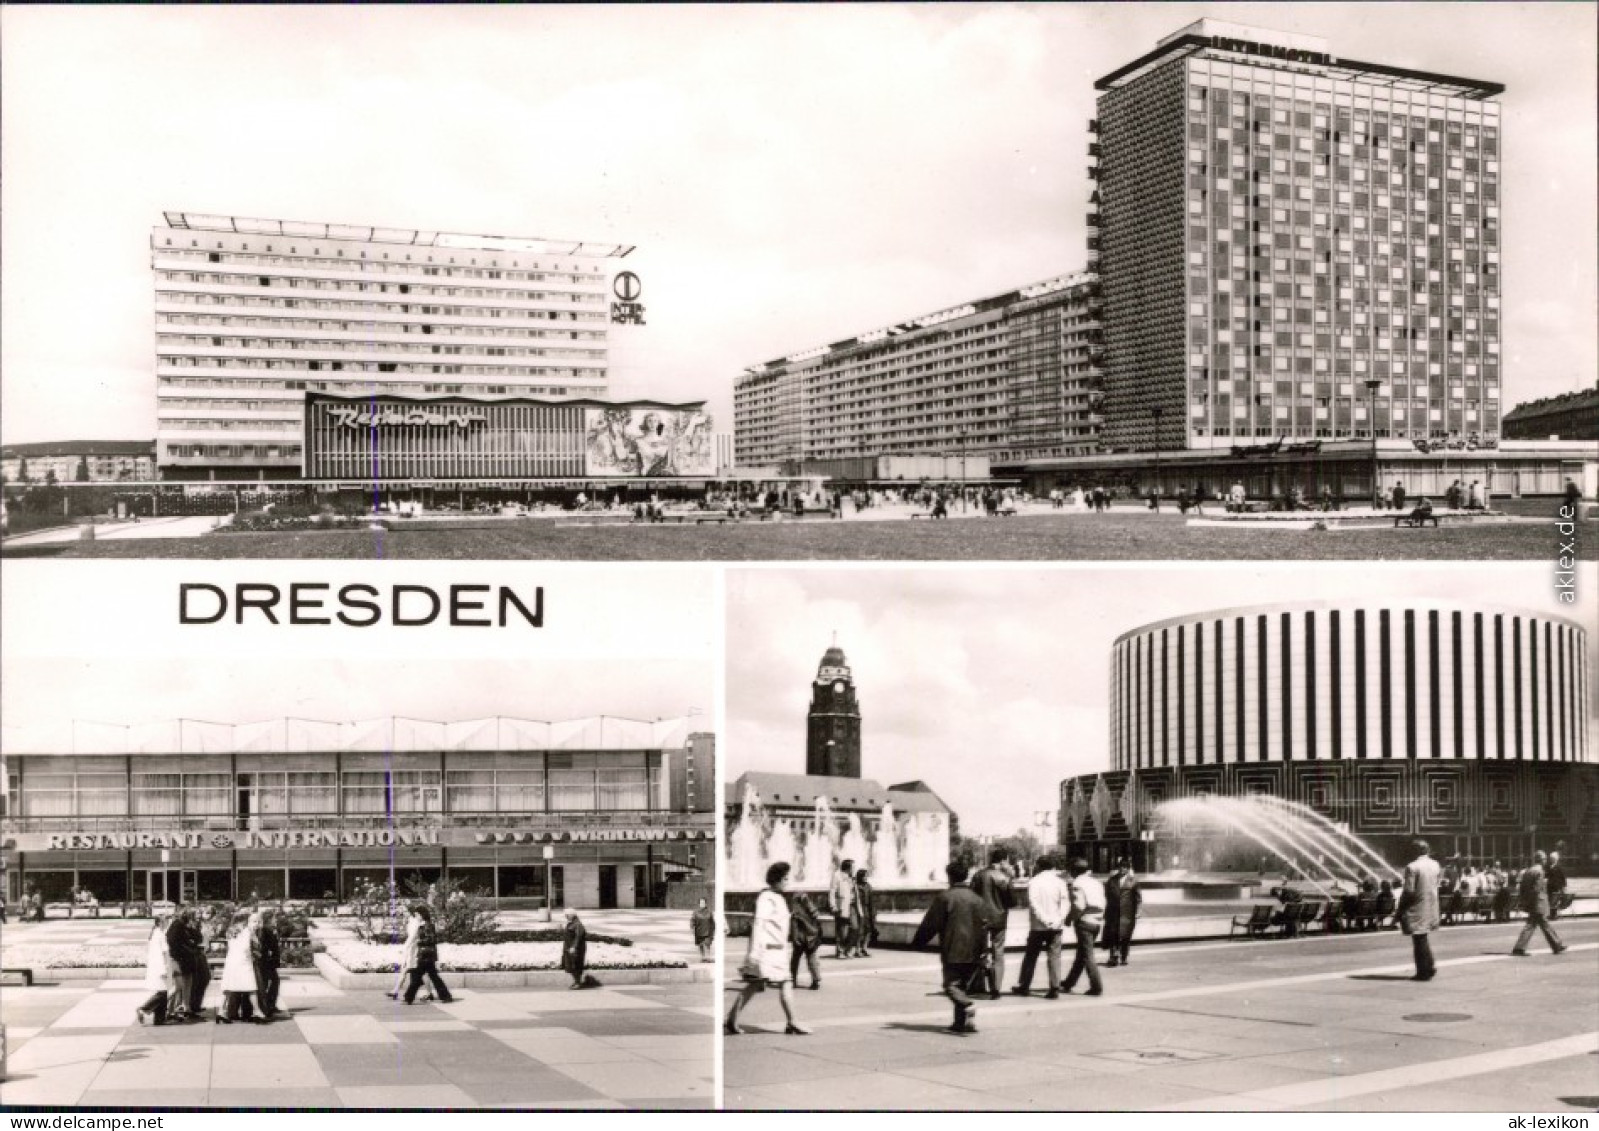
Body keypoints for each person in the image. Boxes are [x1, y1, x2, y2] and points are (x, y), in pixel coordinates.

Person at [912, 861, 997, 1034]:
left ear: (949, 876)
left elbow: (931, 924)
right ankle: (962, 1023)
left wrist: (918, 942)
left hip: (953, 948)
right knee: (962, 986)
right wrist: (985, 950)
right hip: (974, 950)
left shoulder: (945, 898)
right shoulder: (977, 899)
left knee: (950, 986)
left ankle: (967, 1005)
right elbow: (985, 926)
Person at [725, 862, 808, 1035]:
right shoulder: (766, 898)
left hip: (777, 950)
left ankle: (732, 1019)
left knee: (757, 985)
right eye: (785, 879)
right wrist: (754, 953)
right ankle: (792, 1022)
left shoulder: (778, 898)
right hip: (768, 951)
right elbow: (758, 924)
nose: (787, 882)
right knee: (778, 983)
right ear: (776, 880)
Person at [1012, 855, 1067, 999]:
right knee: (1054, 956)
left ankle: (1024, 985)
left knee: (1031, 956)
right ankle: (1054, 987)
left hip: (1038, 926)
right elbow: (1065, 903)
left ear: (1039, 866)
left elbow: (1033, 903)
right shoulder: (1060, 882)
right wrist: (1058, 919)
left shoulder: (1034, 882)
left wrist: (1045, 920)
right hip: (1056, 925)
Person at [969, 848, 1016, 1000]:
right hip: (999, 919)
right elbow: (1012, 901)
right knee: (998, 953)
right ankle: (996, 988)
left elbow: (971, 897)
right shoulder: (1004, 878)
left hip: (980, 919)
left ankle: (978, 984)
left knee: (978, 951)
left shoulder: (978, 875)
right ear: (1003, 861)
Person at [1397, 839, 1441, 981]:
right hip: (1431, 905)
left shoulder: (1412, 867)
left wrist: (1401, 908)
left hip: (1416, 906)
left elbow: (1409, 891)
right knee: (1423, 937)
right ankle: (1429, 966)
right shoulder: (1435, 865)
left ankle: (1423, 971)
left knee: (1418, 939)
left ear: (1415, 851)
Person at [1060, 859, 1105, 996]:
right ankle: (1069, 982)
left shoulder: (1077, 884)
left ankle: (1096, 986)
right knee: (1082, 954)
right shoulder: (1096, 882)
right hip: (1097, 921)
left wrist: (1069, 918)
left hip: (1084, 922)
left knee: (1087, 956)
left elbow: (1079, 906)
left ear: (1074, 871)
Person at [1512, 851, 1568, 956]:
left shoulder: (1528, 871)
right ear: (1541, 860)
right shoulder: (1540, 872)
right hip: (1538, 902)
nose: (1545, 861)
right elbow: (1537, 888)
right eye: (1544, 859)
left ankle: (1556, 945)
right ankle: (1519, 948)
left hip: (1532, 901)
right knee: (1536, 924)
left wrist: (1525, 900)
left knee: (1536, 924)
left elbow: (1523, 888)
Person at [402, 904, 455, 1004]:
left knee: (417, 975)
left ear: (421, 915)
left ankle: (408, 998)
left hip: (425, 955)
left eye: (417, 914)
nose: (416, 916)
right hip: (426, 955)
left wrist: (418, 942)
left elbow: (431, 939)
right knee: (433, 976)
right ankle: (446, 996)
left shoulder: (427, 925)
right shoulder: (424, 925)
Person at [217, 912, 263, 1024]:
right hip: (244, 962)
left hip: (231, 962)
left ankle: (221, 1011)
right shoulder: (248, 931)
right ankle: (257, 1011)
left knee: (228, 988)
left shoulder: (230, 931)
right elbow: (256, 944)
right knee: (251, 988)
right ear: (244, 921)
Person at [135, 913, 175, 1026]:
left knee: (163, 992)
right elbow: (162, 954)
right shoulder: (160, 935)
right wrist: (164, 969)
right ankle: (143, 1008)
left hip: (158, 967)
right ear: (159, 923)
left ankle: (159, 1019)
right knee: (162, 993)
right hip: (161, 967)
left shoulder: (156, 934)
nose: (167, 923)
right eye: (165, 921)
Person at [1103, 859, 1142, 967]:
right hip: (1113, 912)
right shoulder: (1112, 880)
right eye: (1120, 867)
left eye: (1124, 867)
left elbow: (1138, 898)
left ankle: (1124, 956)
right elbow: (1106, 894)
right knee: (1113, 934)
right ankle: (1113, 957)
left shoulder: (1133, 881)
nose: (1122, 869)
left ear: (1128, 869)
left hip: (1127, 913)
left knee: (1126, 936)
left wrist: (1138, 911)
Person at [788, 889, 824, 990]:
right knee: (812, 959)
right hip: (811, 938)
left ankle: (792, 980)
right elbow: (817, 920)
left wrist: (794, 939)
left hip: (800, 939)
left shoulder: (796, 911)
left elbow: (794, 926)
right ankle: (816, 979)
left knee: (795, 960)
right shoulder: (812, 909)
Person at [256, 909, 283, 1018]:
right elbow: (267, 946)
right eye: (273, 918)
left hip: (269, 961)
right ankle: (268, 1005)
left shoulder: (270, 930)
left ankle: (269, 1004)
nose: (275, 920)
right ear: (268, 920)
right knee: (270, 982)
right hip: (267, 962)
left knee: (273, 982)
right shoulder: (266, 931)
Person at [828, 859, 857, 960]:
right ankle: (841, 951)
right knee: (841, 930)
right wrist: (833, 906)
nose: (854, 869)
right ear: (848, 868)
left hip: (851, 905)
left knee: (855, 927)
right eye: (853, 867)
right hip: (841, 905)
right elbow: (832, 891)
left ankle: (847, 949)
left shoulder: (852, 878)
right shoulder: (837, 876)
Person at [561, 908, 589, 989]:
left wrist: (574, 947)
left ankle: (578, 982)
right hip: (569, 948)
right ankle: (576, 981)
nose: (566, 917)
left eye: (567, 915)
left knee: (576, 965)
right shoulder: (571, 923)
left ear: (572, 915)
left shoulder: (578, 924)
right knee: (569, 965)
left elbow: (578, 937)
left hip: (576, 949)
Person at [851, 869, 876, 958]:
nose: (866, 878)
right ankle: (857, 950)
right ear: (860, 876)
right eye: (864, 876)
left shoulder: (868, 886)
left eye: (866, 876)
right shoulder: (856, 886)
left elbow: (872, 900)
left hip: (868, 909)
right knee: (860, 931)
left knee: (868, 930)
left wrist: (873, 912)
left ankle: (864, 948)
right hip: (859, 909)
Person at [690, 898, 716, 963]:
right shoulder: (695, 912)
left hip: (708, 931)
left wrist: (712, 930)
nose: (702, 904)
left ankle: (708, 957)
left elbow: (712, 922)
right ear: (699, 904)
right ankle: (703, 957)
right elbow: (692, 920)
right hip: (699, 931)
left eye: (703, 903)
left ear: (705, 904)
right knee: (701, 945)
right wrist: (692, 927)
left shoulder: (709, 912)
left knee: (707, 944)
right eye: (701, 903)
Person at [1545, 851, 1569, 920]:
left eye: (1553, 858)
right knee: (1550, 900)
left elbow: (1563, 877)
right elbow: (1547, 876)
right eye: (1551, 858)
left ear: (1556, 859)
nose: (1551, 859)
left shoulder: (1559, 867)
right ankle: (1551, 914)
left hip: (1557, 886)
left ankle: (1554, 915)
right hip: (1549, 886)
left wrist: (1564, 887)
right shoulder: (1549, 866)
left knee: (1554, 900)